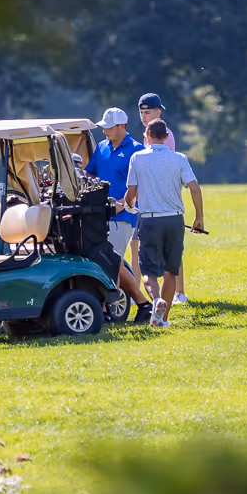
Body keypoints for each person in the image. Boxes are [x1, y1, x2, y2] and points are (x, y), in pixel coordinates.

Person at [125, 119, 205, 328]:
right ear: (167, 137)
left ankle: (156, 300)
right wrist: (199, 218)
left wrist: (128, 203)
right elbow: (195, 189)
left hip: (150, 220)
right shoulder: (179, 158)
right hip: (175, 220)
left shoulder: (137, 158)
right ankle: (164, 319)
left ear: (147, 136)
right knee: (171, 272)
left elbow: (131, 194)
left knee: (148, 273)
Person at [84, 107, 147, 315]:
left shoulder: (136, 150)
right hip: (100, 215)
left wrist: (122, 204)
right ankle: (142, 305)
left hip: (123, 216)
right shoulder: (101, 147)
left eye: (109, 127)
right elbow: (90, 175)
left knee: (110, 262)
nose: (104, 131)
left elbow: (139, 185)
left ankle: (108, 310)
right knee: (115, 261)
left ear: (122, 126)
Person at [137, 92, 190, 304]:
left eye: (147, 112)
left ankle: (179, 291)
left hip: (164, 198)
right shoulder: (147, 133)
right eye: (141, 112)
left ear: (158, 112)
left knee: (172, 253)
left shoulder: (164, 134)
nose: (143, 116)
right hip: (156, 200)